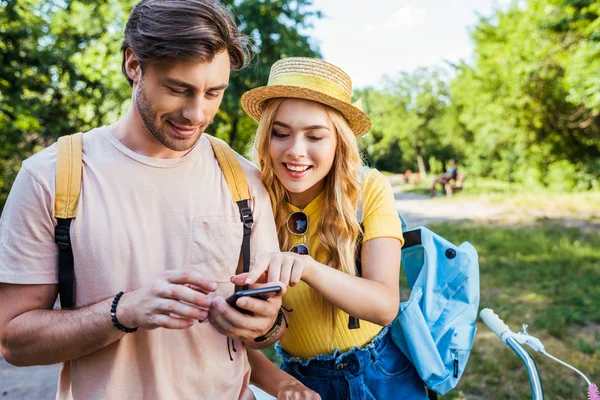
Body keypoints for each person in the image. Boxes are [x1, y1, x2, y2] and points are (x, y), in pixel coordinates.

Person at [0, 2, 315, 399]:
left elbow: (271, 327)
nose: (195, 113)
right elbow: (13, 341)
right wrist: (122, 312)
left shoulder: (243, 179)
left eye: (213, 93)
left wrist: (264, 323)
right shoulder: (52, 177)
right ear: (134, 64)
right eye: (177, 89)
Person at [231, 57, 429, 399]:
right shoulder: (248, 199)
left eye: (315, 136)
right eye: (281, 133)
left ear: (339, 141)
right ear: (266, 137)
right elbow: (237, 334)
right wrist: (283, 383)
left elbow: (384, 305)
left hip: (380, 373)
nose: (296, 151)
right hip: (299, 379)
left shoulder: (369, 190)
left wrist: (307, 268)